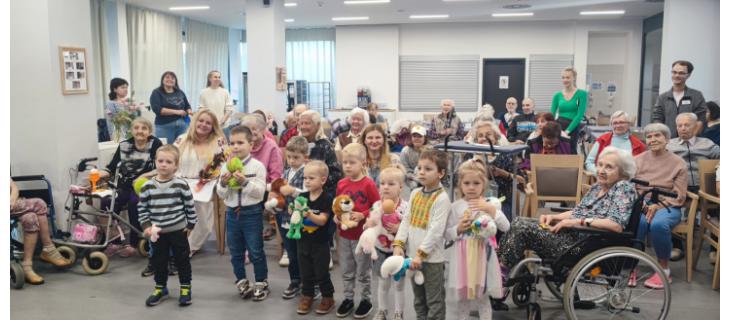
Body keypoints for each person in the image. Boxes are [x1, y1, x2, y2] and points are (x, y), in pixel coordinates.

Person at [499, 147, 637, 270]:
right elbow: (578, 212)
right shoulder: (598, 187)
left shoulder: (623, 188)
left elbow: (615, 225)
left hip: (583, 246)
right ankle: (504, 265)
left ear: (623, 173)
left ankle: (503, 272)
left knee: (523, 228)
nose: (601, 171)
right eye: (600, 165)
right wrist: (555, 217)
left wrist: (577, 222)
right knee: (518, 222)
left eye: (609, 167)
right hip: (572, 235)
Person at [445, 159, 510, 320]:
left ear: (484, 184)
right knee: (463, 298)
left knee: (482, 297)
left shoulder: (488, 204)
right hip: (462, 257)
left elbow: (506, 226)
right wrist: (458, 229)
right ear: (460, 185)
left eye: (476, 183)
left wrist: (491, 210)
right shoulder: (456, 207)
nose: (471, 187)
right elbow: (446, 234)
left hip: (482, 256)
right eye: (467, 183)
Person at [393, 149, 451, 320]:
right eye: (419, 168)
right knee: (419, 300)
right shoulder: (415, 193)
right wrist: (398, 244)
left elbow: (436, 232)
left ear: (441, 173)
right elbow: (406, 220)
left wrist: (420, 254)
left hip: (432, 260)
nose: (421, 172)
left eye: (428, 169)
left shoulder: (442, 199)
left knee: (434, 302)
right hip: (413, 257)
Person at [138, 145, 197, 307]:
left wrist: (191, 224)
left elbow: (189, 205)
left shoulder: (181, 184)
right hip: (157, 233)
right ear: (155, 162)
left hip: (178, 231)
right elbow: (142, 209)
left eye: (168, 161)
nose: (163, 164)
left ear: (176, 165)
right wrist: (146, 226)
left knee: (182, 260)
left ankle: (185, 288)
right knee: (158, 261)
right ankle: (160, 288)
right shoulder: (147, 186)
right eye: (160, 161)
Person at [216, 125, 269, 301]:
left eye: (240, 142)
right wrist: (223, 184)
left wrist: (245, 182)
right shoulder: (226, 167)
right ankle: (241, 280)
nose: (236, 147)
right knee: (236, 252)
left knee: (255, 251)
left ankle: (261, 282)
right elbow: (221, 194)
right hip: (232, 214)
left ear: (251, 145)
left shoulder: (258, 166)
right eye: (233, 143)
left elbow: (260, 193)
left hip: (252, 213)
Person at [99, 117, 163, 261]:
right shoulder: (124, 145)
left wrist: (144, 176)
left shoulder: (155, 144)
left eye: (144, 128)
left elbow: (161, 167)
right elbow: (111, 168)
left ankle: (133, 243)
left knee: (135, 203)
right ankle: (114, 241)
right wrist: (98, 174)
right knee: (106, 203)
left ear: (149, 131)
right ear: (131, 130)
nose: (140, 131)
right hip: (124, 186)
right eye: (136, 128)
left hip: (145, 186)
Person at [633, 123, 689, 288]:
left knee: (658, 224)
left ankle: (664, 270)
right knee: (639, 222)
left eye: (657, 135)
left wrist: (658, 206)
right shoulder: (637, 160)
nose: (653, 139)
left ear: (667, 139)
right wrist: (641, 202)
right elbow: (631, 186)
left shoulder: (678, 163)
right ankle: (632, 265)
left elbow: (680, 195)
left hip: (668, 205)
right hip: (642, 201)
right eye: (649, 136)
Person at [335, 143, 380, 318]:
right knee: (346, 270)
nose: (347, 166)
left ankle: (366, 300)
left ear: (363, 163)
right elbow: (338, 206)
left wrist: (363, 215)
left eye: (351, 162)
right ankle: (348, 299)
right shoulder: (341, 183)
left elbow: (378, 207)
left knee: (363, 271)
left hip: (362, 237)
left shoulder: (368, 184)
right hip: (345, 236)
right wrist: (337, 216)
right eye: (345, 162)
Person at [173, 110, 226, 256]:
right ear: (194, 121)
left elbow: (222, 165)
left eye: (208, 123)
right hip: (180, 180)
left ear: (213, 126)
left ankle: (189, 247)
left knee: (197, 204)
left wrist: (206, 180)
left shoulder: (219, 141)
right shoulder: (181, 140)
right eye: (201, 120)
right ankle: (172, 244)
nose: (203, 124)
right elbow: (171, 160)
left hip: (207, 183)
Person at [10, 179, 71, 284]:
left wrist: (12, 201)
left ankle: (27, 267)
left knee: (31, 218)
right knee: (39, 203)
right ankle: (49, 249)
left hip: (12, 205)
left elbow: (14, 188)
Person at [296, 161, 336, 315]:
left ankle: (328, 297)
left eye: (311, 178)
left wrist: (308, 213)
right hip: (303, 241)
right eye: (305, 178)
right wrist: (294, 211)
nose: (307, 181)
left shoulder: (327, 198)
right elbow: (296, 217)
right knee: (305, 271)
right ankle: (307, 295)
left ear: (323, 180)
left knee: (321, 272)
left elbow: (322, 220)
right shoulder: (302, 196)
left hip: (320, 243)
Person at [369, 167, 410, 320]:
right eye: (382, 183)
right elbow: (372, 225)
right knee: (383, 283)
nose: (385, 187)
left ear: (400, 187)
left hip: (398, 252)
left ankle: (399, 312)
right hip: (381, 251)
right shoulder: (376, 206)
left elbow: (409, 226)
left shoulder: (406, 207)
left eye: (391, 184)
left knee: (399, 285)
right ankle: (382, 310)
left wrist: (399, 227)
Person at [278, 136, 309, 299]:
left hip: (302, 220)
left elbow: (309, 194)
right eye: (289, 157)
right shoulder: (286, 172)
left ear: (305, 157)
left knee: (303, 253)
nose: (291, 160)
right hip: (285, 219)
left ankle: (309, 283)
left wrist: (293, 191)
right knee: (291, 252)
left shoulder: (307, 173)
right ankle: (295, 281)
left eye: (296, 157)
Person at [651, 60, 708, 138]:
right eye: (674, 72)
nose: (677, 75)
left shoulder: (696, 96)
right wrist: (664, 139)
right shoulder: (662, 97)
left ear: (688, 75)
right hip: (669, 142)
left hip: (691, 143)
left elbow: (701, 120)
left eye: (681, 73)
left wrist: (690, 139)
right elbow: (657, 120)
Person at [666, 112, 719, 191]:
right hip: (676, 188)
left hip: (704, 188)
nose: (683, 128)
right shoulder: (669, 145)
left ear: (695, 126)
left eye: (687, 125)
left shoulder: (707, 143)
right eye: (679, 126)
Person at [299, 110, 342, 199]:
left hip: (321, 194)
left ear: (318, 125)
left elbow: (335, 175)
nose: (303, 126)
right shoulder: (297, 144)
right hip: (298, 190)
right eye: (301, 123)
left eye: (307, 123)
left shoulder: (325, 146)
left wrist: (316, 178)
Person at [150, 71, 193, 144]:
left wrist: (190, 111)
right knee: (166, 149)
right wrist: (177, 112)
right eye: (167, 77)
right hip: (164, 126)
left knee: (181, 148)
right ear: (162, 80)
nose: (170, 79)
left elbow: (187, 106)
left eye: (173, 78)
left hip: (182, 125)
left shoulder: (180, 92)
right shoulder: (156, 92)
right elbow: (157, 109)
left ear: (175, 81)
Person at [551, 67, 588, 146]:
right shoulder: (557, 95)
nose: (565, 80)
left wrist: (567, 131)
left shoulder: (581, 94)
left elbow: (579, 114)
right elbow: (552, 115)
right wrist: (553, 129)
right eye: (563, 77)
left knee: (571, 151)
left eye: (568, 77)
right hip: (559, 126)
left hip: (573, 126)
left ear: (574, 78)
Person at [243, 114, 283, 184]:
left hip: (265, 188)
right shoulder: (242, 145)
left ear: (263, 130)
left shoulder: (271, 147)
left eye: (254, 129)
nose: (250, 132)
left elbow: (276, 176)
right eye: (247, 130)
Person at [198, 70, 234, 138]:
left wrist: (222, 122)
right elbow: (201, 109)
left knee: (224, 147)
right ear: (210, 79)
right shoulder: (203, 92)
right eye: (215, 77)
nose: (218, 79)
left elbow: (229, 109)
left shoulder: (225, 92)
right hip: (209, 126)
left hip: (223, 127)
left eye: (219, 77)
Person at [400, 125, 429, 190]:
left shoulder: (429, 151)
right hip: (410, 177)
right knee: (414, 185)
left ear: (425, 138)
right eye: (414, 136)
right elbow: (405, 170)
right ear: (411, 138)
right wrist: (416, 179)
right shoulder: (405, 151)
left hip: (426, 176)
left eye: (420, 136)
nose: (417, 138)